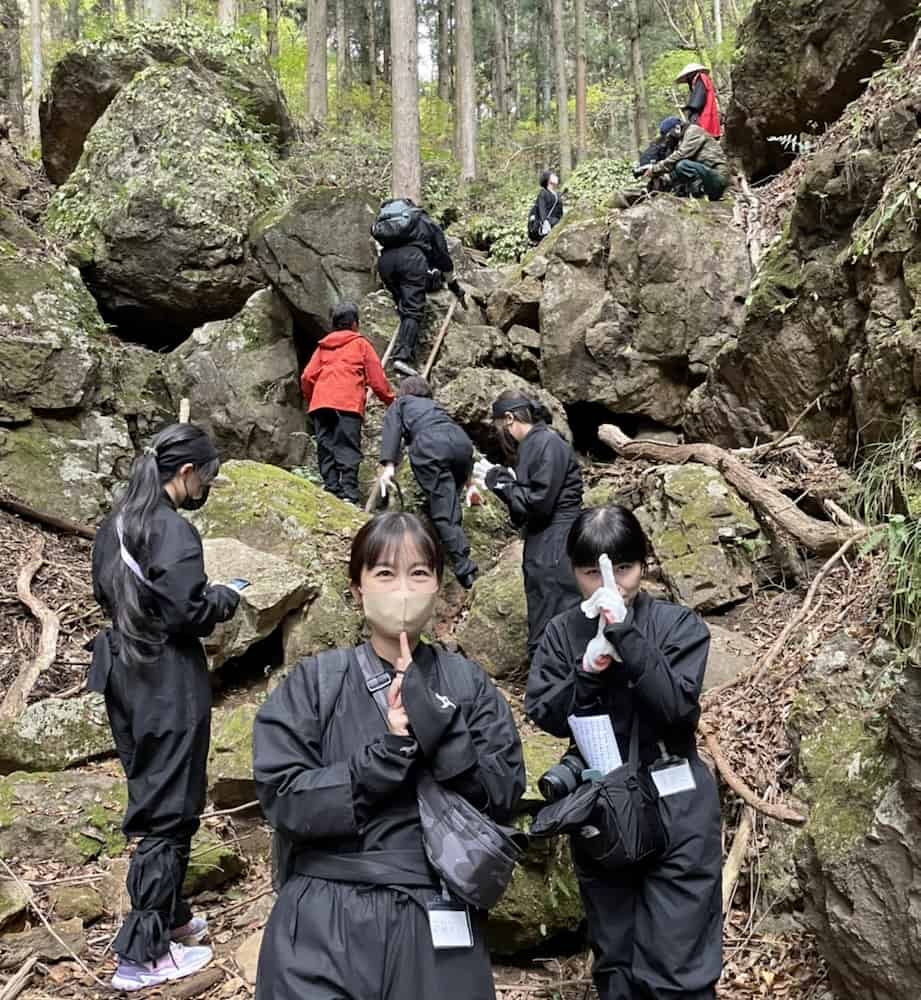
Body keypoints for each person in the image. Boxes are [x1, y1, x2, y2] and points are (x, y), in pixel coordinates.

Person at [252, 512, 525, 1000]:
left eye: (419, 573)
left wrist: (445, 737)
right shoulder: (315, 683)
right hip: (323, 916)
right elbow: (283, 798)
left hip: (436, 910)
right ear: (356, 589)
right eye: (384, 573)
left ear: (439, 586)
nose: (403, 589)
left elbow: (503, 795)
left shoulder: (468, 685)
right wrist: (386, 754)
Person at [525, 506, 722, 1000]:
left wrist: (625, 636)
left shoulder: (679, 626)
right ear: (574, 571)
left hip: (674, 801)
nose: (608, 583)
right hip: (603, 804)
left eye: (623, 570)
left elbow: (676, 708)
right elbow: (545, 711)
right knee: (617, 959)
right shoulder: (561, 631)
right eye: (591, 572)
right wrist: (586, 672)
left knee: (679, 963)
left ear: (644, 566)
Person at [87, 424, 243, 991]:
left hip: (124, 675)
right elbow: (188, 613)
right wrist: (222, 599)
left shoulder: (116, 526)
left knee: (155, 790)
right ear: (185, 475)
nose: (208, 486)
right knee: (170, 812)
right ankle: (143, 953)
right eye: (208, 477)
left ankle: (172, 917)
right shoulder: (174, 532)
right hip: (166, 679)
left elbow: (112, 596)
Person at [476, 391, 583, 659]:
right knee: (547, 613)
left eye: (501, 427)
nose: (503, 435)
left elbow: (537, 503)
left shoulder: (545, 443)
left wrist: (502, 482)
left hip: (556, 544)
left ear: (510, 418)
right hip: (548, 541)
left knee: (552, 617)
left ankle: (550, 686)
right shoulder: (539, 443)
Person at [378, 376, 479, 589]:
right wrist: (470, 484)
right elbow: (455, 440)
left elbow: (392, 430)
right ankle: (456, 523)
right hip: (461, 444)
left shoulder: (401, 403)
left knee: (445, 513)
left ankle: (466, 570)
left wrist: (389, 467)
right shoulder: (435, 407)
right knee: (451, 504)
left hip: (431, 446)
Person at [300, 301, 395, 505]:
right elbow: (377, 380)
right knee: (347, 446)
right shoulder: (361, 344)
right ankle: (349, 494)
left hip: (321, 403)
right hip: (347, 403)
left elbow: (307, 376)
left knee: (325, 445)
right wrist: (391, 401)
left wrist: (312, 399)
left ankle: (331, 488)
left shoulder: (323, 347)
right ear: (354, 324)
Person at [374, 198, 467, 378]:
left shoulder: (387, 222)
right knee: (413, 310)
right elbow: (442, 255)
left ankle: (404, 343)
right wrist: (453, 284)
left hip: (385, 262)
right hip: (411, 261)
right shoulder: (422, 219)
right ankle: (403, 358)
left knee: (404, 305)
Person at [642, 118, 730, 201]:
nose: (669, 139)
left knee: (682, 165)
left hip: (718, 178)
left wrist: (655, 169)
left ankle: (700, 193)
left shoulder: (693, 131)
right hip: (709, 176)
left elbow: (681, 154)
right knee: (677, 169)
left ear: (677, 128)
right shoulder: (682, 138)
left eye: (669, 136)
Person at [675, 62, 720, 138]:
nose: (687, 79)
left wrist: (688, 107)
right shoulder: (699, 80)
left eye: (688, 76)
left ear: (691, 74)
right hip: (706, 115)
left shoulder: (701, 78)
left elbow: (698, 101)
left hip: (705, 116)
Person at [528, 169, 564, 243]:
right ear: (548, 180)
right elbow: (542, 209)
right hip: (547, 225)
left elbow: (559, 212)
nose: (556, 177)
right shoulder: (543, 193)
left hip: (556, 222)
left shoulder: (557, 194)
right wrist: (545, 222)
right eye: (553, 176)